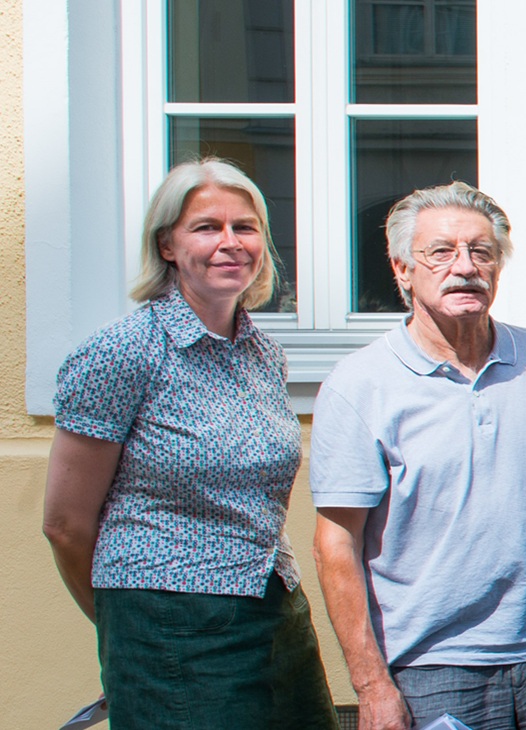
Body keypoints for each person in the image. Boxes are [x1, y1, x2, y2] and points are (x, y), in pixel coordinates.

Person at [40, 158, 335, 729]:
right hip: (168, 624)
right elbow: (65, 525)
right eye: (206, 227)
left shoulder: (262, 354)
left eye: (245, 227)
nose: (231, 242)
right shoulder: (123, 351)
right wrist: (131, 629)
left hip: (275, 610)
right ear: (167, 245)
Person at [311, 182, 526, 730]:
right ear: (402, 270)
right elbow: (336, 542)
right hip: (435, 666)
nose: (465, 267)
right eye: (441, 252)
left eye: (481, 252)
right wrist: (371, 684)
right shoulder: (359, 384)